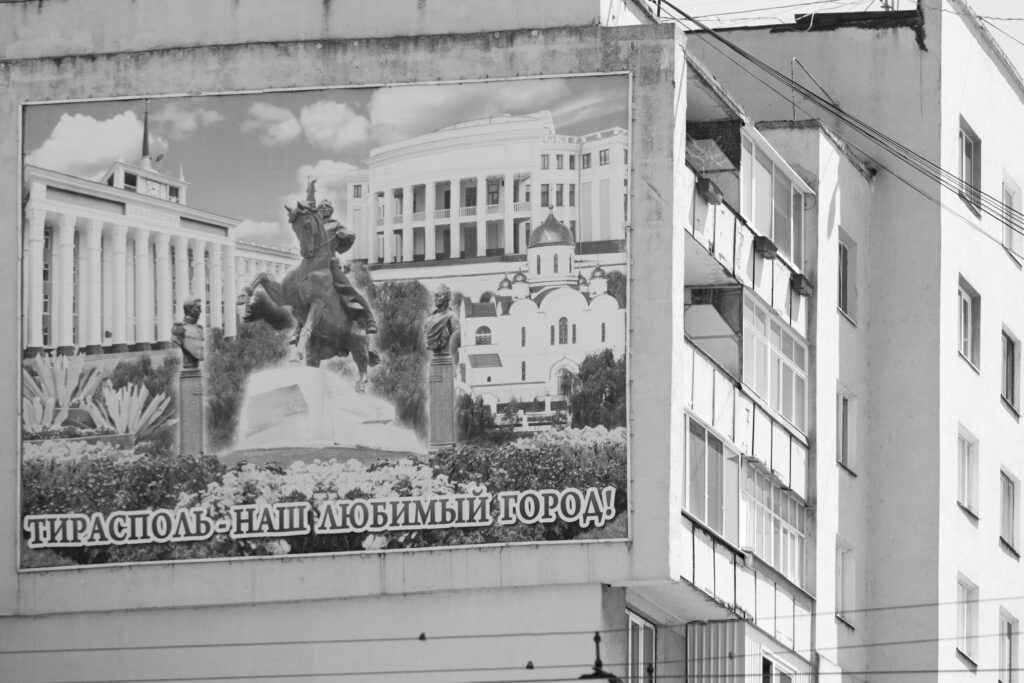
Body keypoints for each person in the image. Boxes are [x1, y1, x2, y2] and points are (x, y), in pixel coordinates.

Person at [303, 177, 378, 335]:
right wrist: (310, 187)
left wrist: (344, 234)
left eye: (327, 207)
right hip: (311, 263)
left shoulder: (336, 224)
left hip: (329, 264)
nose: (323, 208)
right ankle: (298, 329)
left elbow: (351, 234)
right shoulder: (313, 224)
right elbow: (309, 205)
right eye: (321, 206)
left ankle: (370, 320)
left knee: (348, 289)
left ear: (331, 211)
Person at [423, 284, 459, 356]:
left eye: (439, 296)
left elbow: (456, 338)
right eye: (435, 295)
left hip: (447, 355)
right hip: (435, 356)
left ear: (446, 298)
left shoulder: (451, 316)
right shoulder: (429, 318)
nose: (435, 298)